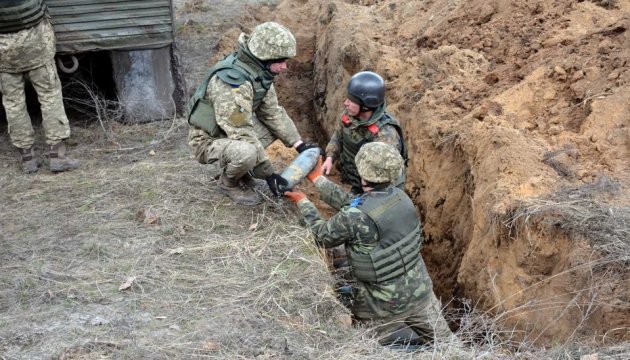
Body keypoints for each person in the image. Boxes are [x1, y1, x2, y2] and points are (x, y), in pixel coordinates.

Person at [285, 142, 455, 346]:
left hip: (381, 307)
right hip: (422, 295)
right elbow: (356, 203)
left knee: (370, 349)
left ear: (362, 171)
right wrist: (318, 181)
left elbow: (322, 236)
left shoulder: (354, 217)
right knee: (448, 345)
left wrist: (303, 201)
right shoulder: (400, 196)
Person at [186, 21, 319, 206]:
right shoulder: (233, 83)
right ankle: (229, 182)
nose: (285, 67)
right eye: (280, 61)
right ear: (265, 57)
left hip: (227, 132)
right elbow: (240, 131)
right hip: (208, 140)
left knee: (271, 129)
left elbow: (273, 114)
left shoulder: (259, 72)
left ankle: (242, 172)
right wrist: (269, 174)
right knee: (247, 152)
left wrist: (299, 144)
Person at [0, 0, 79, 173]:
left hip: (3, 50)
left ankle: (27, 159)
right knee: (50, 95)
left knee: (13, 102)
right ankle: (57, 156)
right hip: (36, 42)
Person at [321, 71, 408, 195]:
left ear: (365, 106)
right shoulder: (350, 116)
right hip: (358, 180)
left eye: (351, 100)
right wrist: (330, 157)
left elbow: (385, 179)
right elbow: (338, 135)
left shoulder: (386, 135)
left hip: (375, 189)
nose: (346, 103)